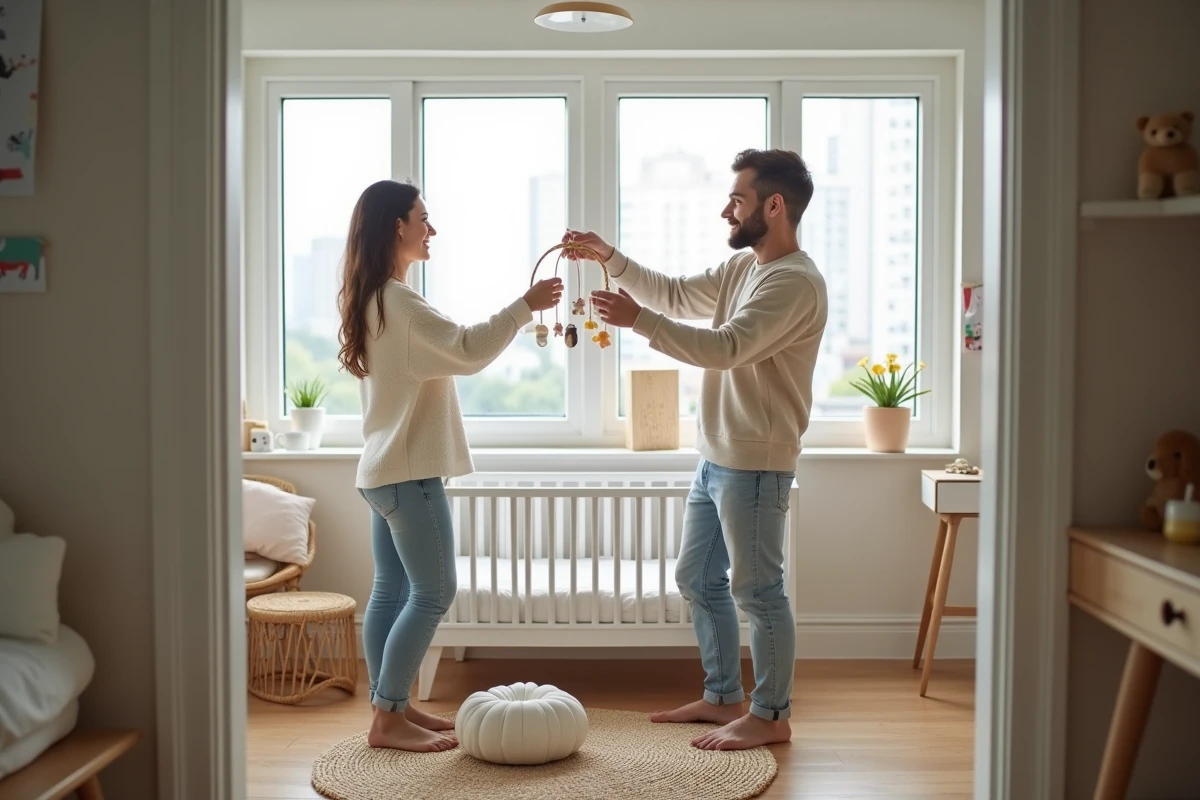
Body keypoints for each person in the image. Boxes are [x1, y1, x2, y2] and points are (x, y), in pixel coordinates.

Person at [565, 148, 827, 751]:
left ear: (774, 205)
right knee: (697, 576)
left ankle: (771, 715)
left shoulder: (796, 283)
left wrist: (639, 324)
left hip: (756, 460)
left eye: (736, 200)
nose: (725, 211)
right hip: (717, 456)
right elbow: (677, 294)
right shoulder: (744, 270)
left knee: (758, 591)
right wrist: (610, 257)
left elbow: (729, 346)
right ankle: (722, 696)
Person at [337, 179, 562, 751]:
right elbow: (466, 350)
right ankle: (389, 718)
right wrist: (525, 306)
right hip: (408, 473)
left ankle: (395, 706)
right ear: (398, 227)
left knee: (390, 591)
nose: (431, 230)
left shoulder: (373, 297)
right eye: (423, 218)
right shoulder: (400, 301)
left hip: (381, 471)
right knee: (435, 592)